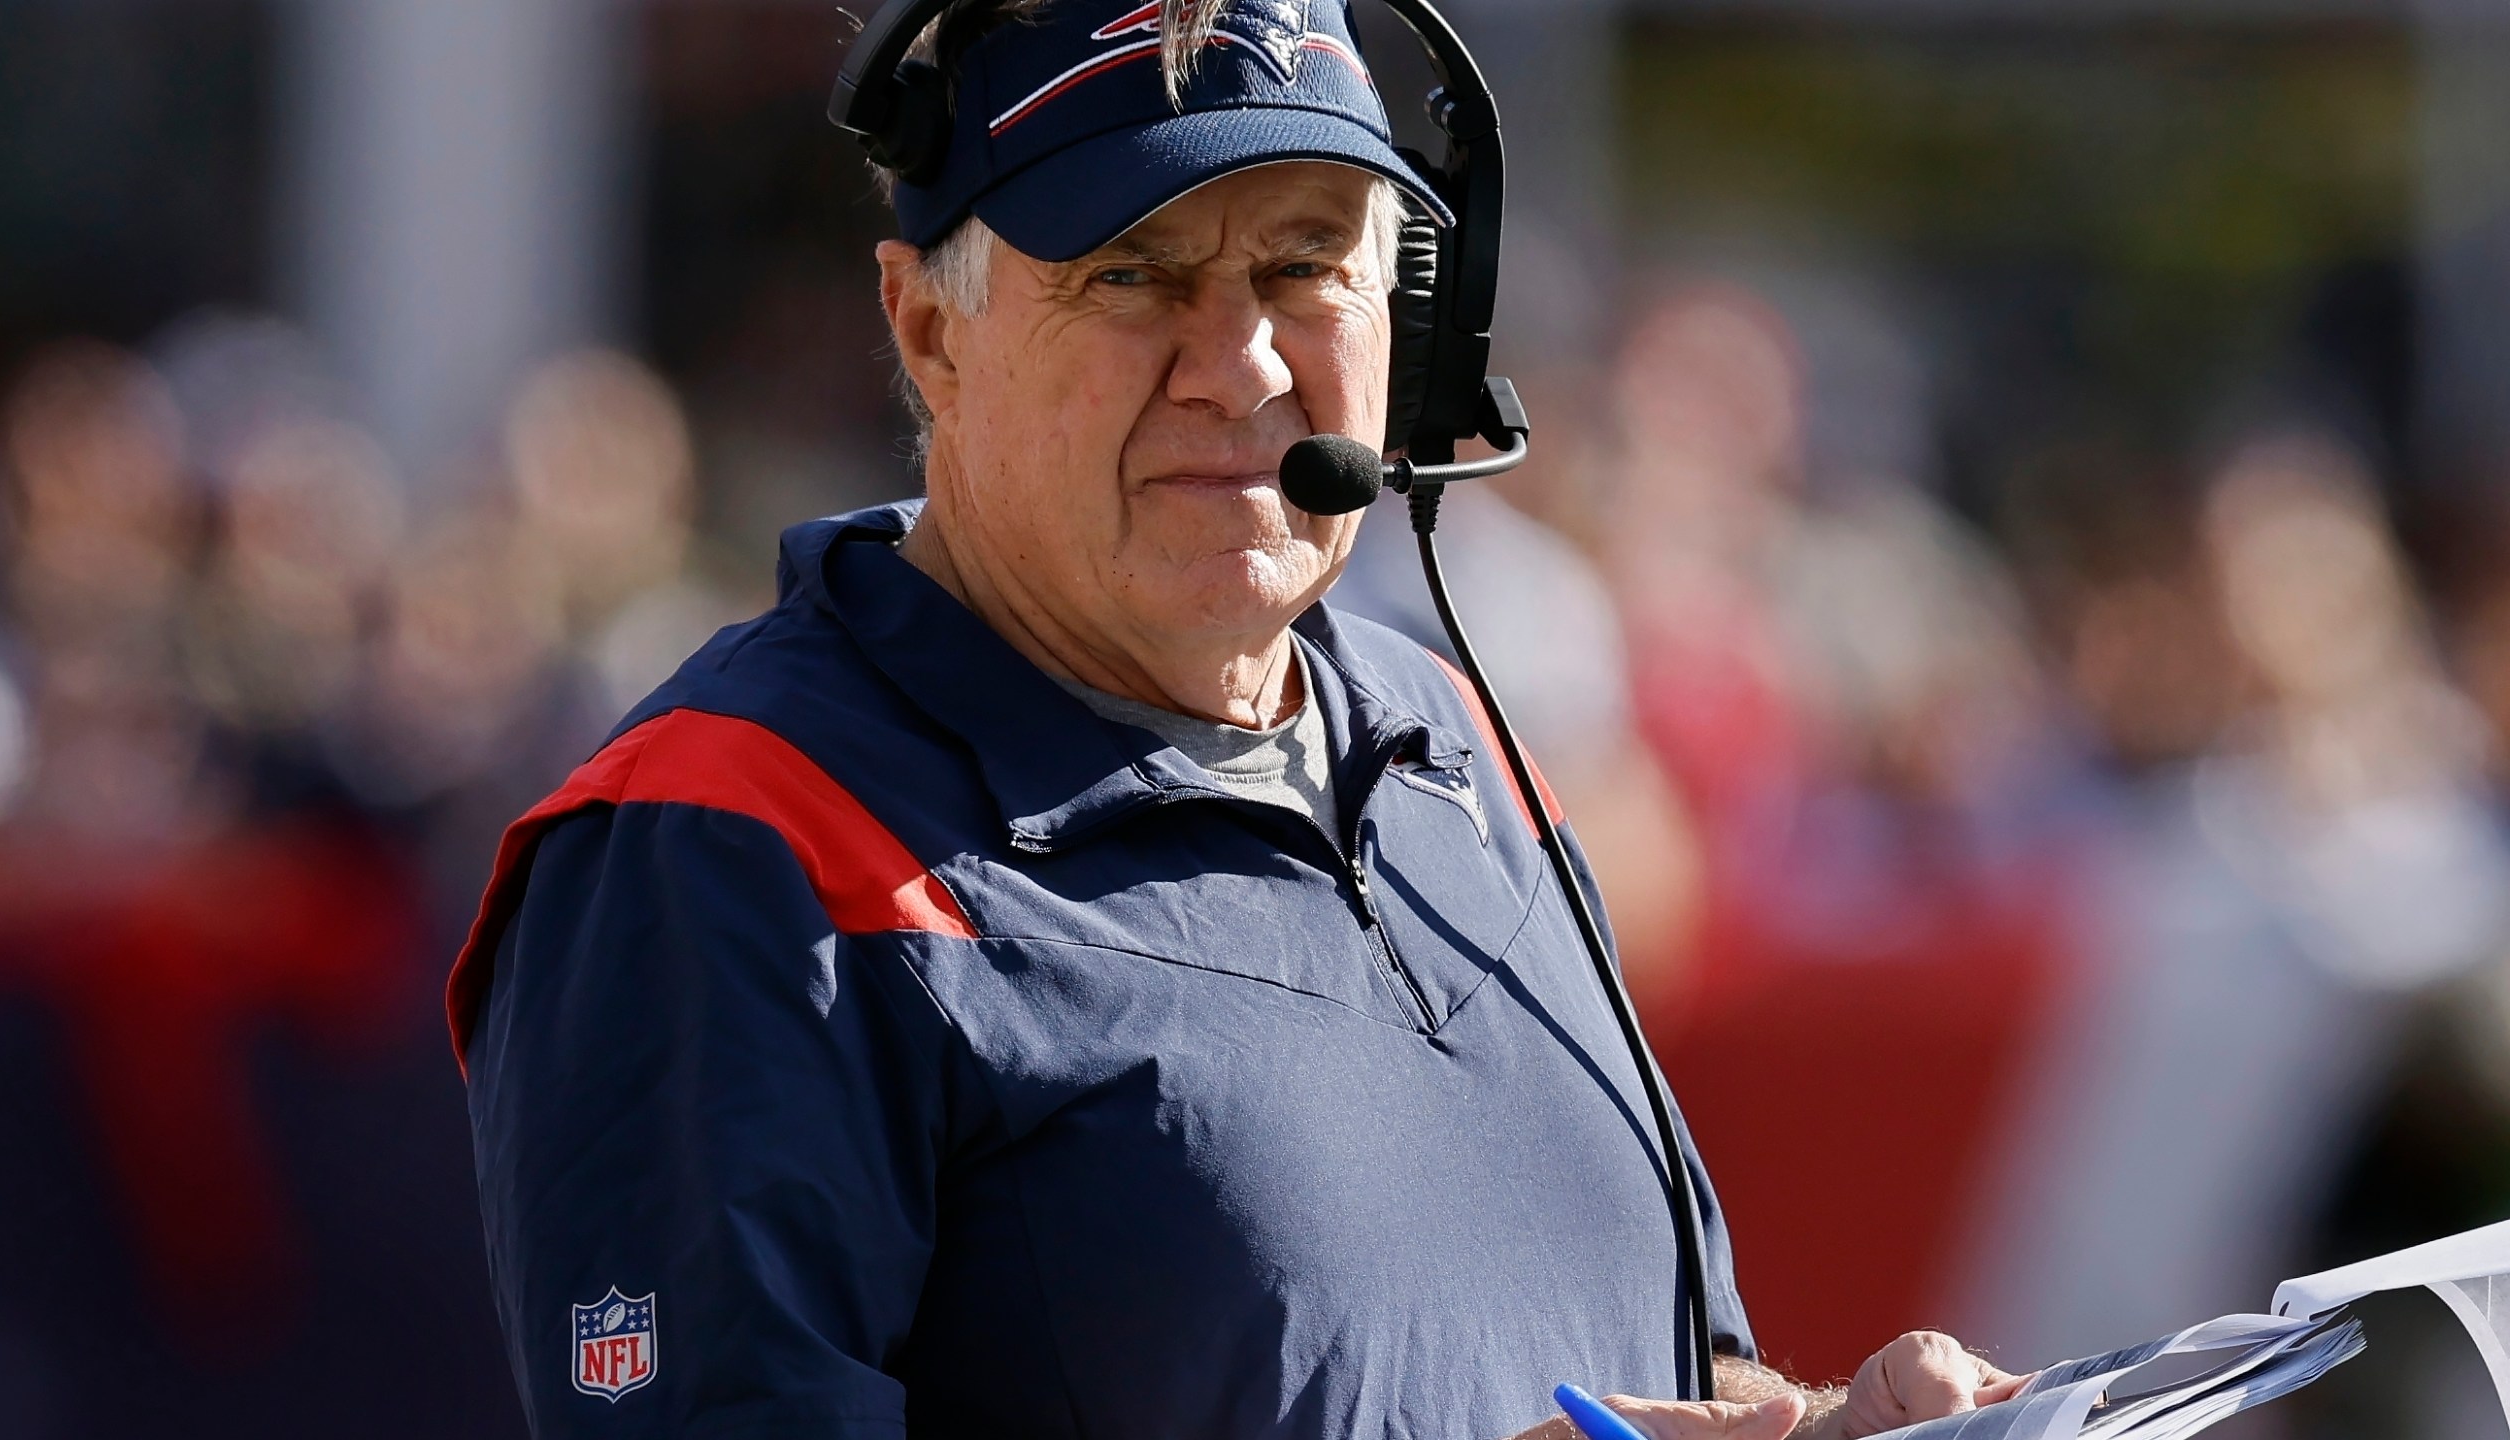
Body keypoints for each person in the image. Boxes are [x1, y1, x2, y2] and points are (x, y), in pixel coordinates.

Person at [447, 1, 2027, 1435]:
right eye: (1132, 275)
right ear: (931, 332)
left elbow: (1653, 1367)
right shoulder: (730, 837)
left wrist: (1819, 1426)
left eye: (1304, 265)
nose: (1243, 363)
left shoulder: (1459, 749)